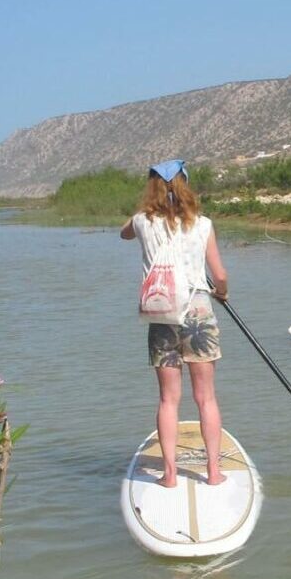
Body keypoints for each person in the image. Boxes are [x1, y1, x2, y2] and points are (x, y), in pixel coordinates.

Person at [121, 159, 230, 488]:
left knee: (169, 399)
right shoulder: (203, 224)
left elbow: (124, 232)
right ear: (187, 185)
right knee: (205, 398)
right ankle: (212, 472)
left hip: (161, 311)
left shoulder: (141, 221)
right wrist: (221, 293)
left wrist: (149, 209)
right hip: (197, 309)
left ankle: (169, 475)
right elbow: (220, 275)